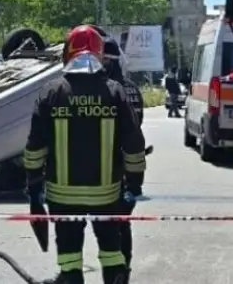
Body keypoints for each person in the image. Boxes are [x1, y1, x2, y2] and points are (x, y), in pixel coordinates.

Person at [23, 25, 147, 284]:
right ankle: (115, 277)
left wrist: (34, 188)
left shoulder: (51, 93)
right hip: (107, 195)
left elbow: (35, 147)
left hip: (62, 196)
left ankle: (70, 279)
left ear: (67, 54)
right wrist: (133, 187)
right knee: (112, 251)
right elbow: (133, 145)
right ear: (100, 55)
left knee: (69, 256)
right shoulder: (115, 92)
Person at [101, 38, 145, 267]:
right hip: (130, 165)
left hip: (111, 167)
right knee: (122, 222)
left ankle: (117, 269)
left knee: (112, 226)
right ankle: (122, 270)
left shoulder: (106, 90)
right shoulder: (131, 88)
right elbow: (139, 126)